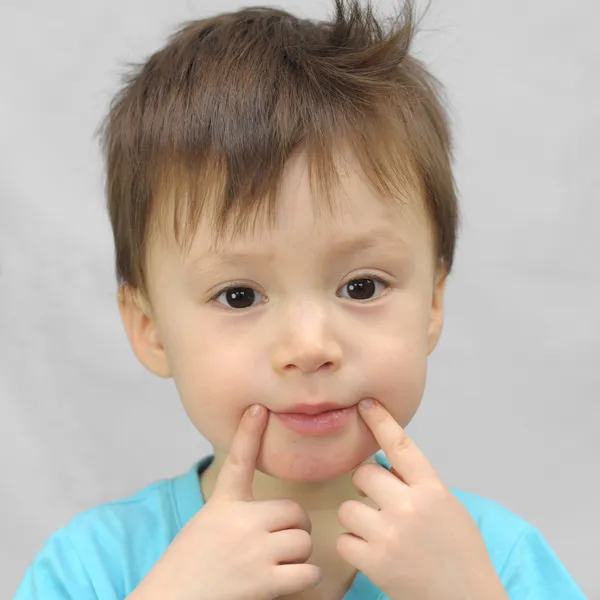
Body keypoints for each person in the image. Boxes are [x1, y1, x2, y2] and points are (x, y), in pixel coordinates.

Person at [14, 0, 587, 598]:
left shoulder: (495, 562)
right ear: (150, 329)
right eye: (239, 295)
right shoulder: (93, 569)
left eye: (361, 286)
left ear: (433, 305)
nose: (309, 347)